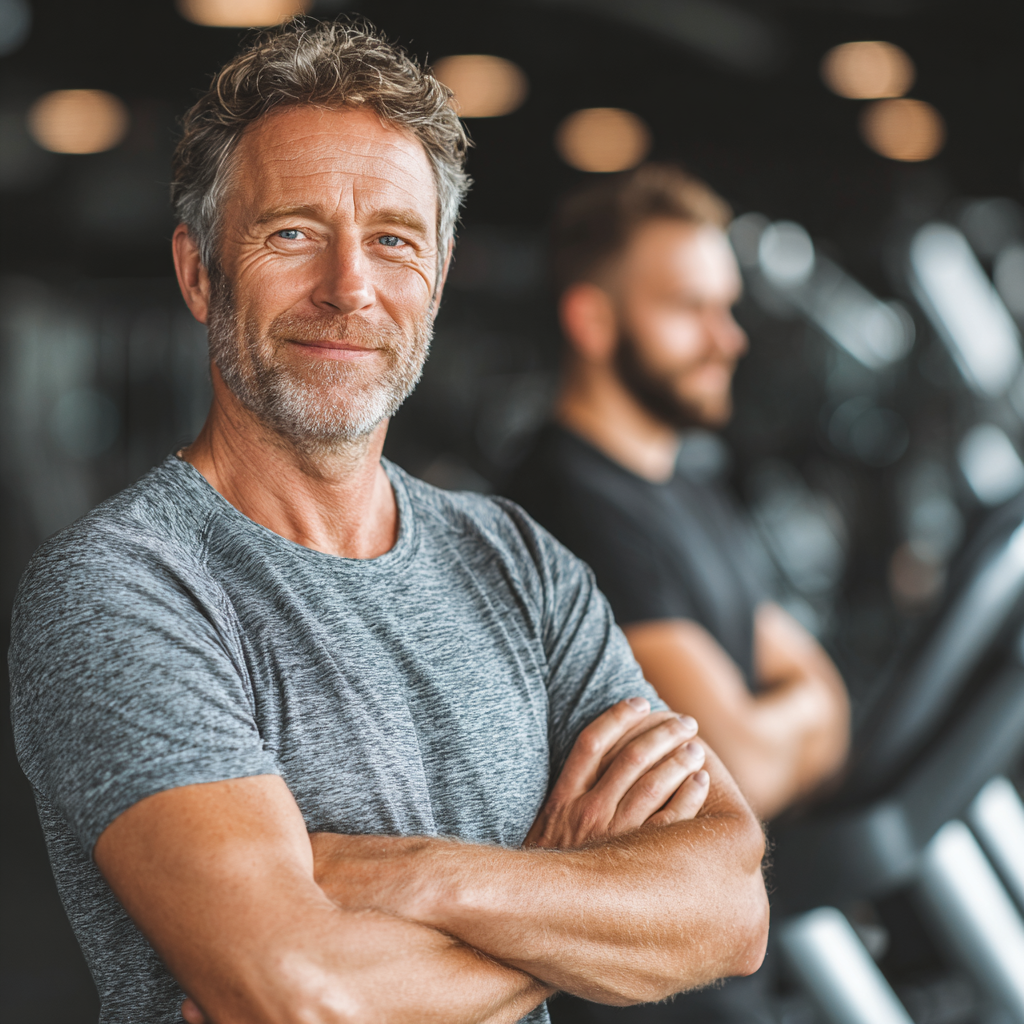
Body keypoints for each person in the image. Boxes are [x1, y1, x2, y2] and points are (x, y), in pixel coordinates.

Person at [9, 22, 768, 1024]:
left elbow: (727, 904)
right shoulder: (125, 589)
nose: (349, 288)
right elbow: (301, 993)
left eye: (393, 240)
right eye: (291, 232)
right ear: (199, 273)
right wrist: (567, 904)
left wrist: (425, 878)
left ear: (437, 280)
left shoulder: (519, 560)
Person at [508, 165, 851, 827]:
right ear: (592, 320)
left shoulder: (688, 483)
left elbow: (830, 706)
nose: (729, 339)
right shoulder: (566, 508)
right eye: (691, 308)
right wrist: (795, 717)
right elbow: (739, 771)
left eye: (726, 307)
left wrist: (793, 717)